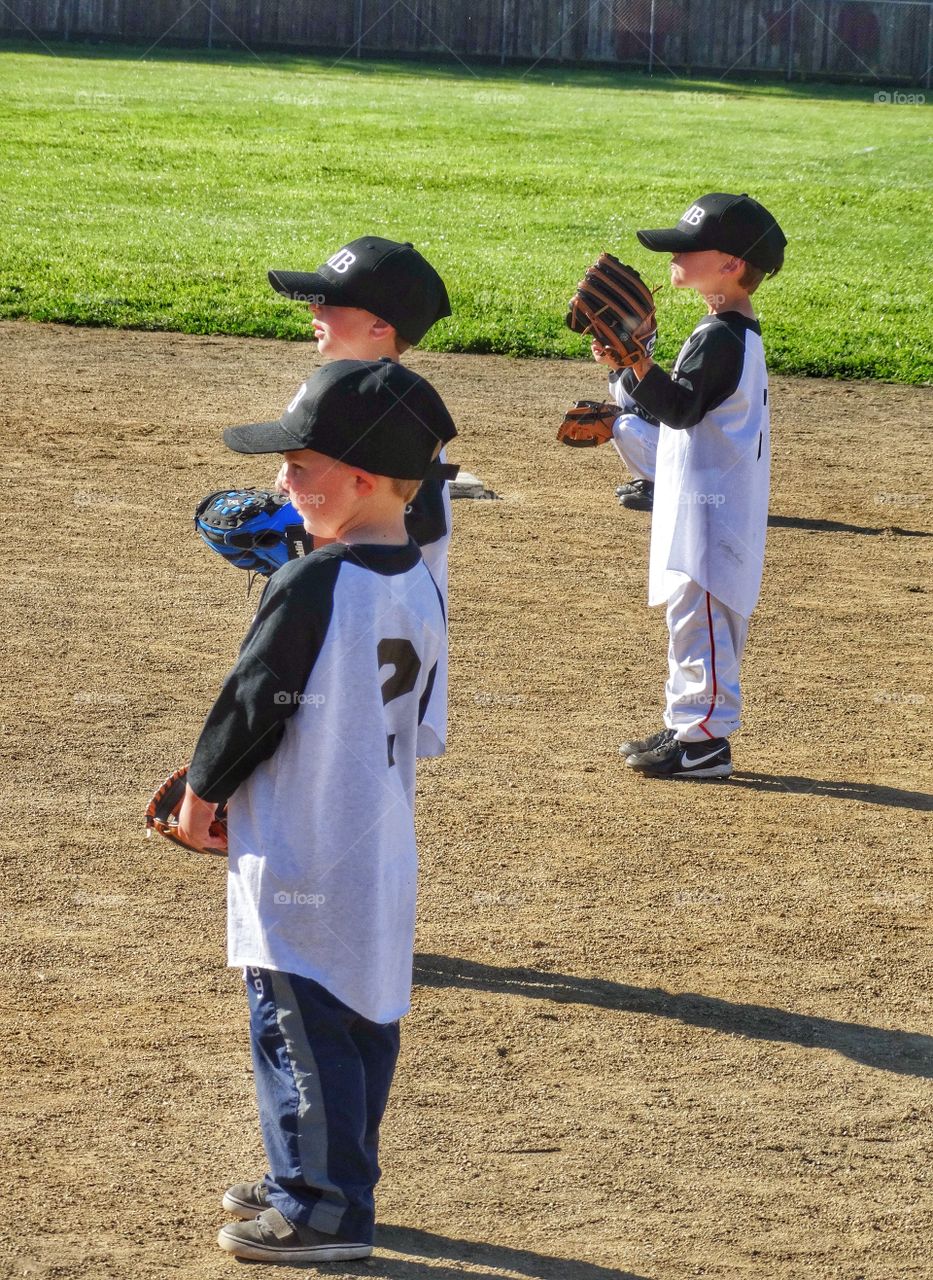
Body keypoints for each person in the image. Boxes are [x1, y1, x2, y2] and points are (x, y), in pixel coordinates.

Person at [176, 358, 457, 1263]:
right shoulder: (418, 576)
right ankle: (323, 1165)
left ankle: (322, 1207)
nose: (281, 481)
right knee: (359, 1024)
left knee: (292, 1021)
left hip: (303, 847)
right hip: (375, 838)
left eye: (301, 466)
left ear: (363, 480)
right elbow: (418, 725)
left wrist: (201, 791)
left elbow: (252, 703)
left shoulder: (311, 584)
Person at [618, 192, 787, 779]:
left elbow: (680, 410)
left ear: (733, 265)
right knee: (691, 620)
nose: (677, 254)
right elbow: (683, 404)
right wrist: (628, 367)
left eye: (692, 248)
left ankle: (706, 743)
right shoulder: (724, 330)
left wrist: (636, 363)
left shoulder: (722, 336)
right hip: (708, 506)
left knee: (704, 623)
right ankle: (687, 724)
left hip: (715, 515)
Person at [267, 235, 455, 754]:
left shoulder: (399, 414)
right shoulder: (341, 394)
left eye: (329, 301)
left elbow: (420, 524)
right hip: (340, 613)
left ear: (380, 326)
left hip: (374, 634)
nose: (313, 308)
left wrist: (303, 542)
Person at [591, 338, 659, 511]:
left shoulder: (631, 375)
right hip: (658, 440)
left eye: (603, 339)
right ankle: (646, 482)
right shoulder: (618, 375)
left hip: (670, 442)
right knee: (613, 424)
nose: (595, 342)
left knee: (623, 424)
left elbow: (659, 418)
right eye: (594, 337)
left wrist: (617, 415)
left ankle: (659, 490)